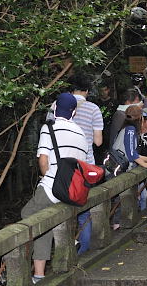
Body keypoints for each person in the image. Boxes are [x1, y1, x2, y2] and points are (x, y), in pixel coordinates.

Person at [23, 94, 88, 284]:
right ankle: (39, 274)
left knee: (28, 215)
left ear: (54, 108)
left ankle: (41, 271)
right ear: (74, 112)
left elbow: (43, 160)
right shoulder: (81, 132)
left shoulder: (49, 127)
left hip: (51, 187)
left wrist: (47, 177)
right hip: (71, 191)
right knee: (45, 225)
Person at [65, 74, 103, 254]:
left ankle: (65, 252)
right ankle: (83, 251)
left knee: (61, 212)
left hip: (62, 166)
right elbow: (98, 142)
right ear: (87, 91)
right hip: (85, 166)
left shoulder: (57, 106)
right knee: (83, 211)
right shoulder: (93, 108)